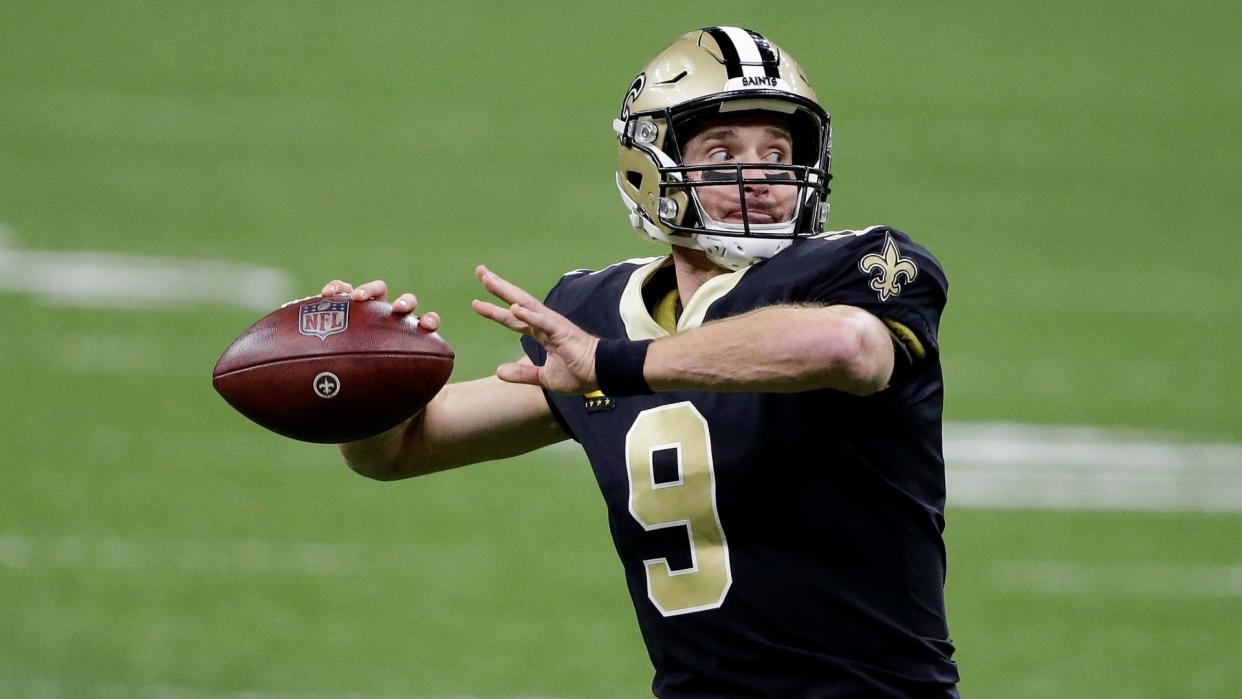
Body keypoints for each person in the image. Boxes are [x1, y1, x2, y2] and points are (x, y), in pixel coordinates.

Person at [324, 26, 960, 698]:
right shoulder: (597, 312)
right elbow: (400, 449)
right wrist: (351, 381)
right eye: (724, 152)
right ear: (650, 167)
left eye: (779, 152)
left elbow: (846, 348)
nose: (764, 177)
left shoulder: (859, 270)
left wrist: (614, 364)